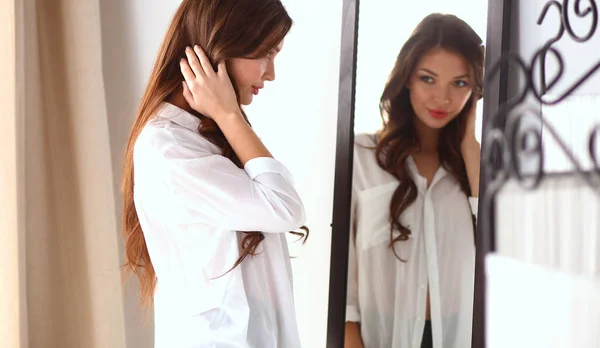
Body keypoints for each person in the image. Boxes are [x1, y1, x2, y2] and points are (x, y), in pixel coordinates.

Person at [120, 1, 308, 347]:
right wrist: (229, 115)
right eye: (265, 53)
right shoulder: (168, 147)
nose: (270, 73)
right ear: (220, 45)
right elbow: (284, 207)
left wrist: (226, 117)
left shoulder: (201, 134)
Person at [344, 13, 484, 348]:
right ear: (407, 78)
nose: (442, 99)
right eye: (429, 79)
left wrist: (470, 145)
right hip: (381, 335)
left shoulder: (475, 167)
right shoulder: (361, 156)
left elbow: (498, 251)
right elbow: (343, 277)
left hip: (459, 335)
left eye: (459, 83)